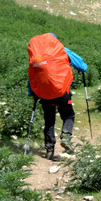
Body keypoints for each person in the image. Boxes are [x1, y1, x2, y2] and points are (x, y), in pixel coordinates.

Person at [28, 33, 87, 161]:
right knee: (68, 115)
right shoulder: (61, 49)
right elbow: (82, 66)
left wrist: (32, 93)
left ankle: (49, 151)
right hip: (62, 92)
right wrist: (82, 68)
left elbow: (32, 76)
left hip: (44, 94)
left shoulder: (37, 55)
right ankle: (66, 136)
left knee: (49, 121)